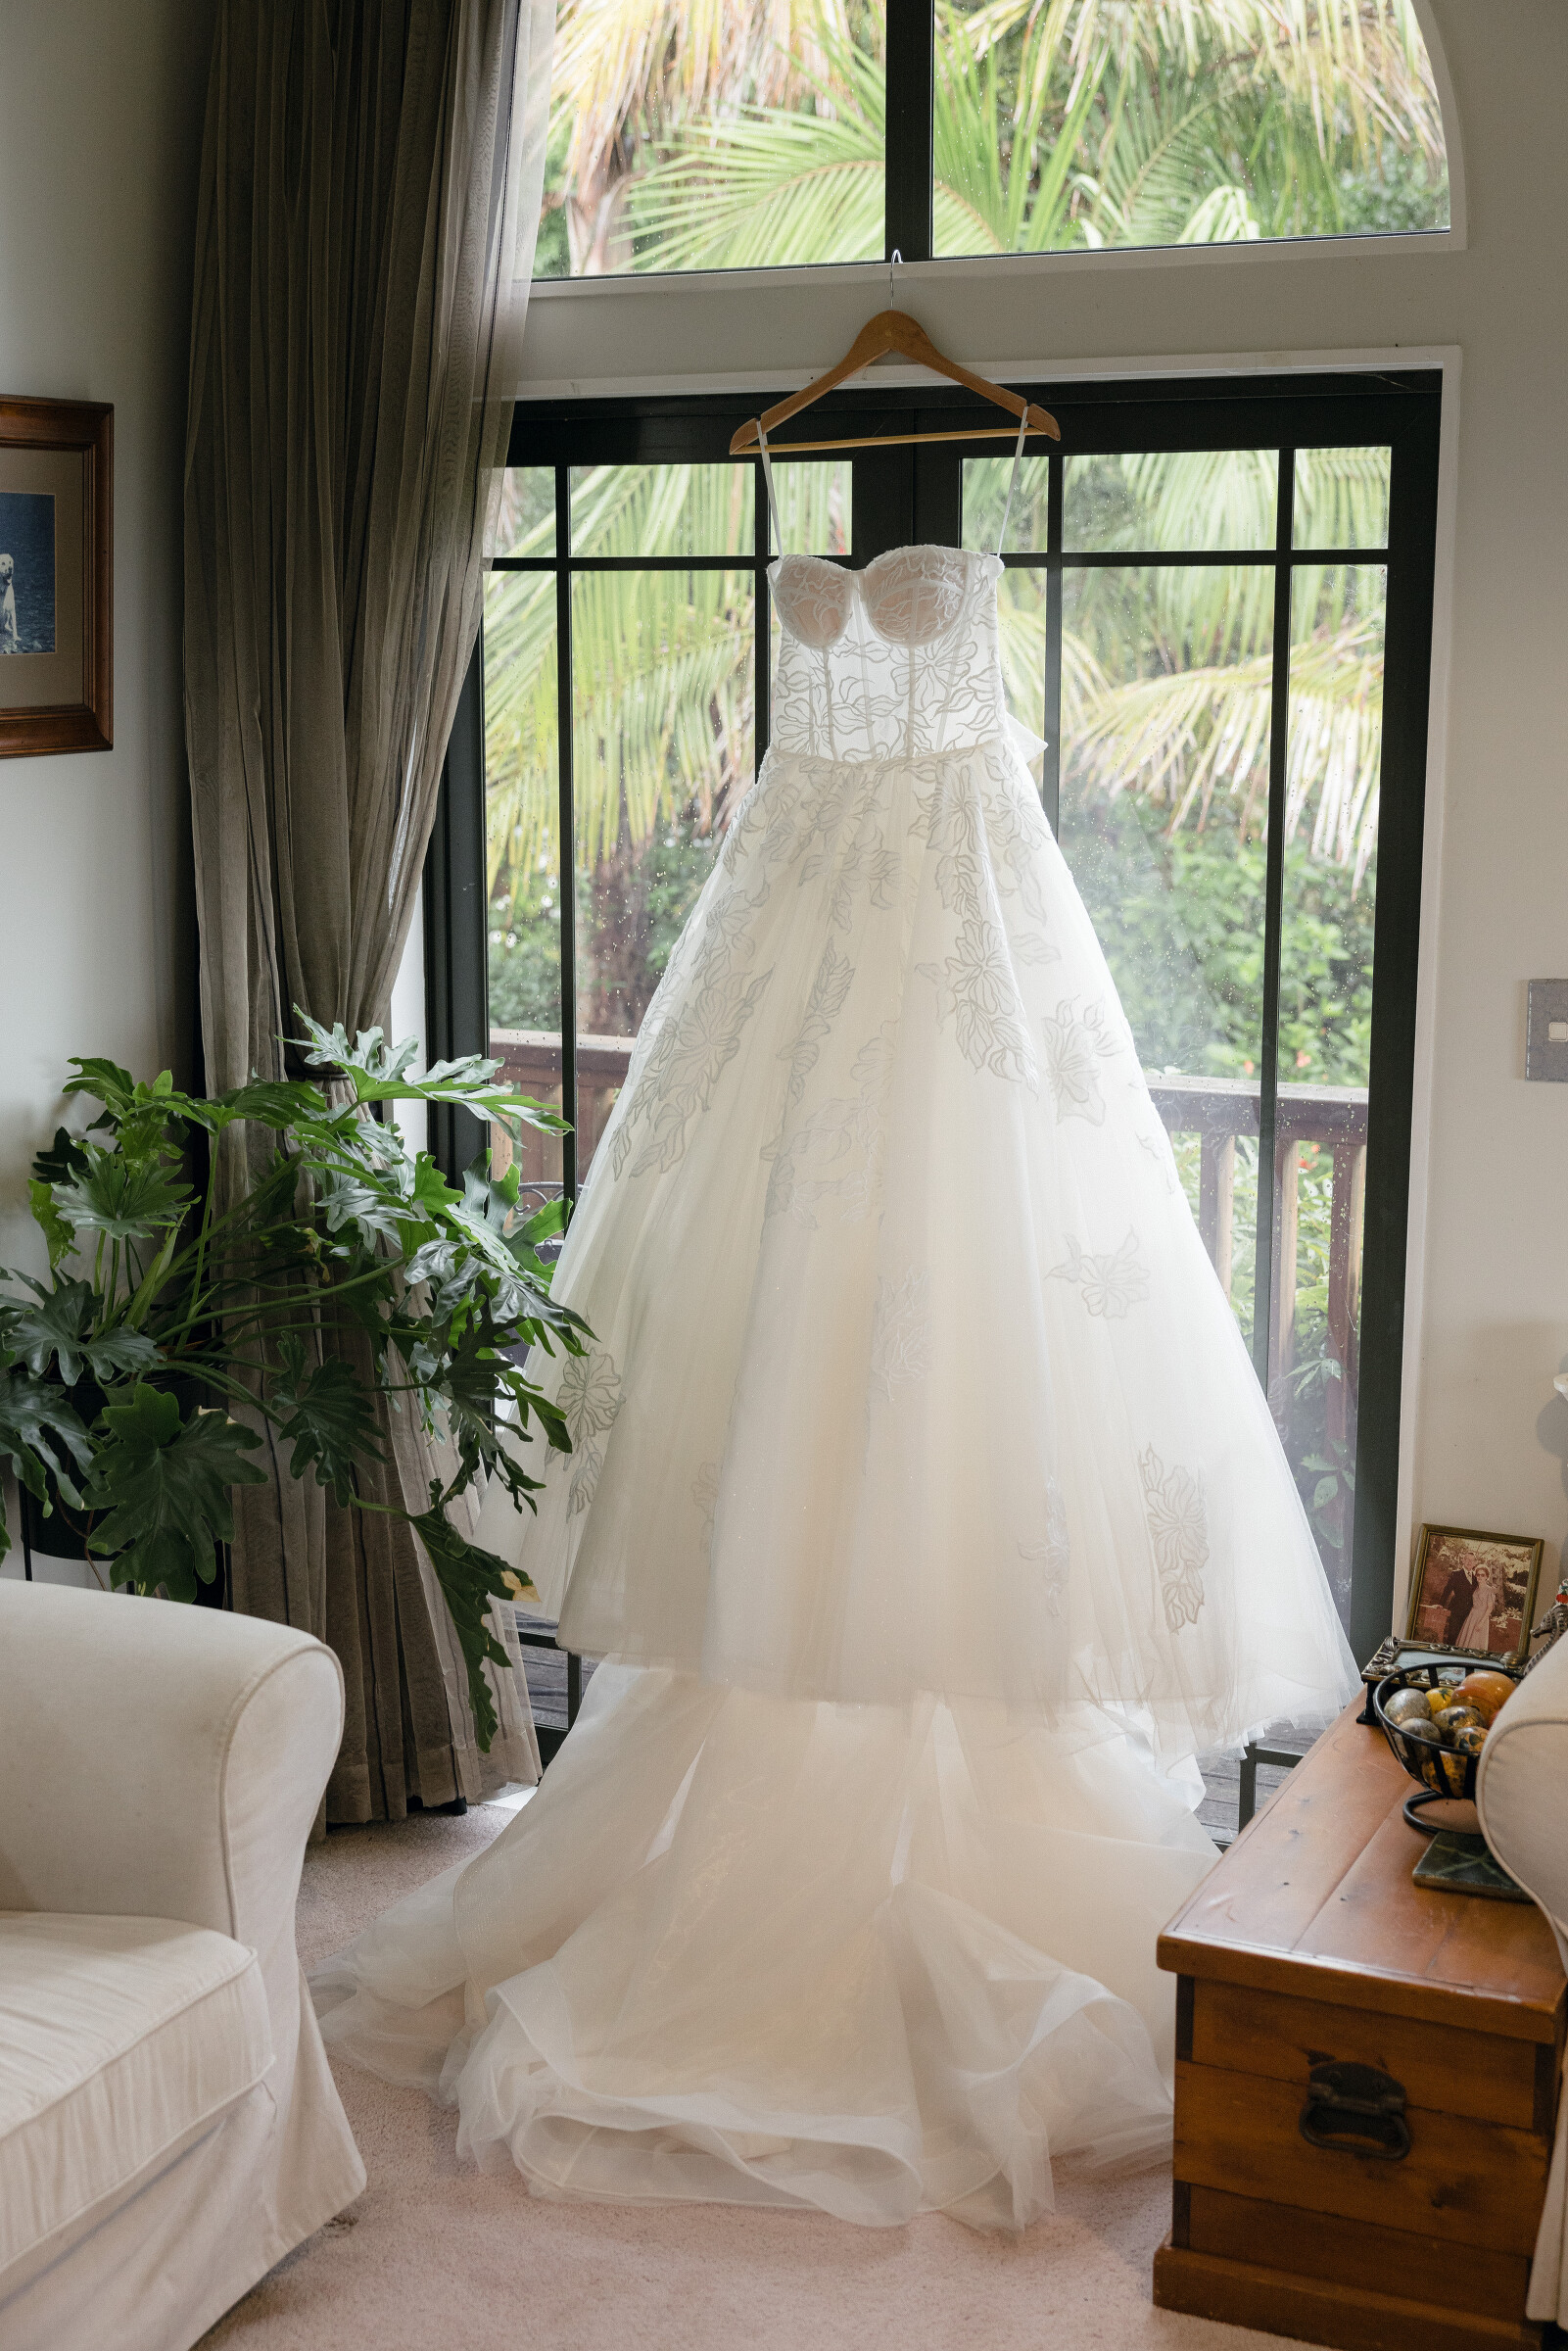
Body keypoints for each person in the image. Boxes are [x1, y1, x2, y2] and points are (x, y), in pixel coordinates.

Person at [314, 423, 1360, 2232]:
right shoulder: (798, 586)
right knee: (781, 1407)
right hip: (787, 995)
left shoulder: (982, 599)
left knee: (952, 1411)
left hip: (964, 997)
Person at [0, 554, 17, 654]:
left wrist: (15, 635)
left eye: (10, 563)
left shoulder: (10, 589)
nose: (9, 567)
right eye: (3, 564)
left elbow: (12, 612)